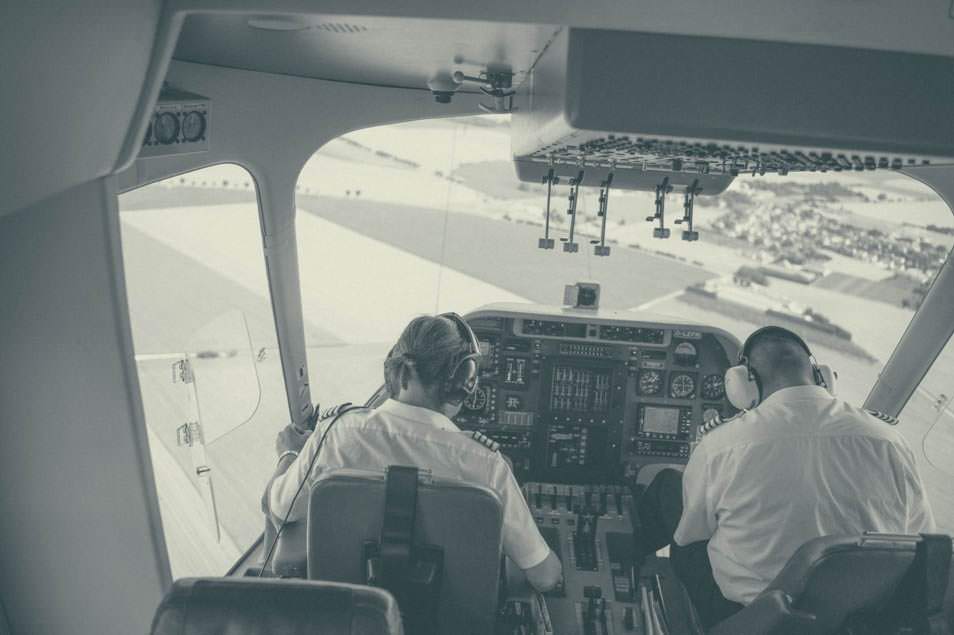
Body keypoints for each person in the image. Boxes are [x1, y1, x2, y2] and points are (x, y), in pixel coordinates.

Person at [637, 326, 936, 629]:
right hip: (852, 621)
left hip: (748, 617)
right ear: (822, 377)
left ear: (743, 383)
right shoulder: (890, 441)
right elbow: (919, 538)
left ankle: (611, 568)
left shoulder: (722, 445)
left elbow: (691, 534)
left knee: (668, 487)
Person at [265, 313, 563, 592]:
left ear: (394, 370)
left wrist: (289, 453)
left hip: (349, 619)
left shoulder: (336, 433)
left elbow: (279, 507)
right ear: (463, 384)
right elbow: (545, 577)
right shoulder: (486, 465)